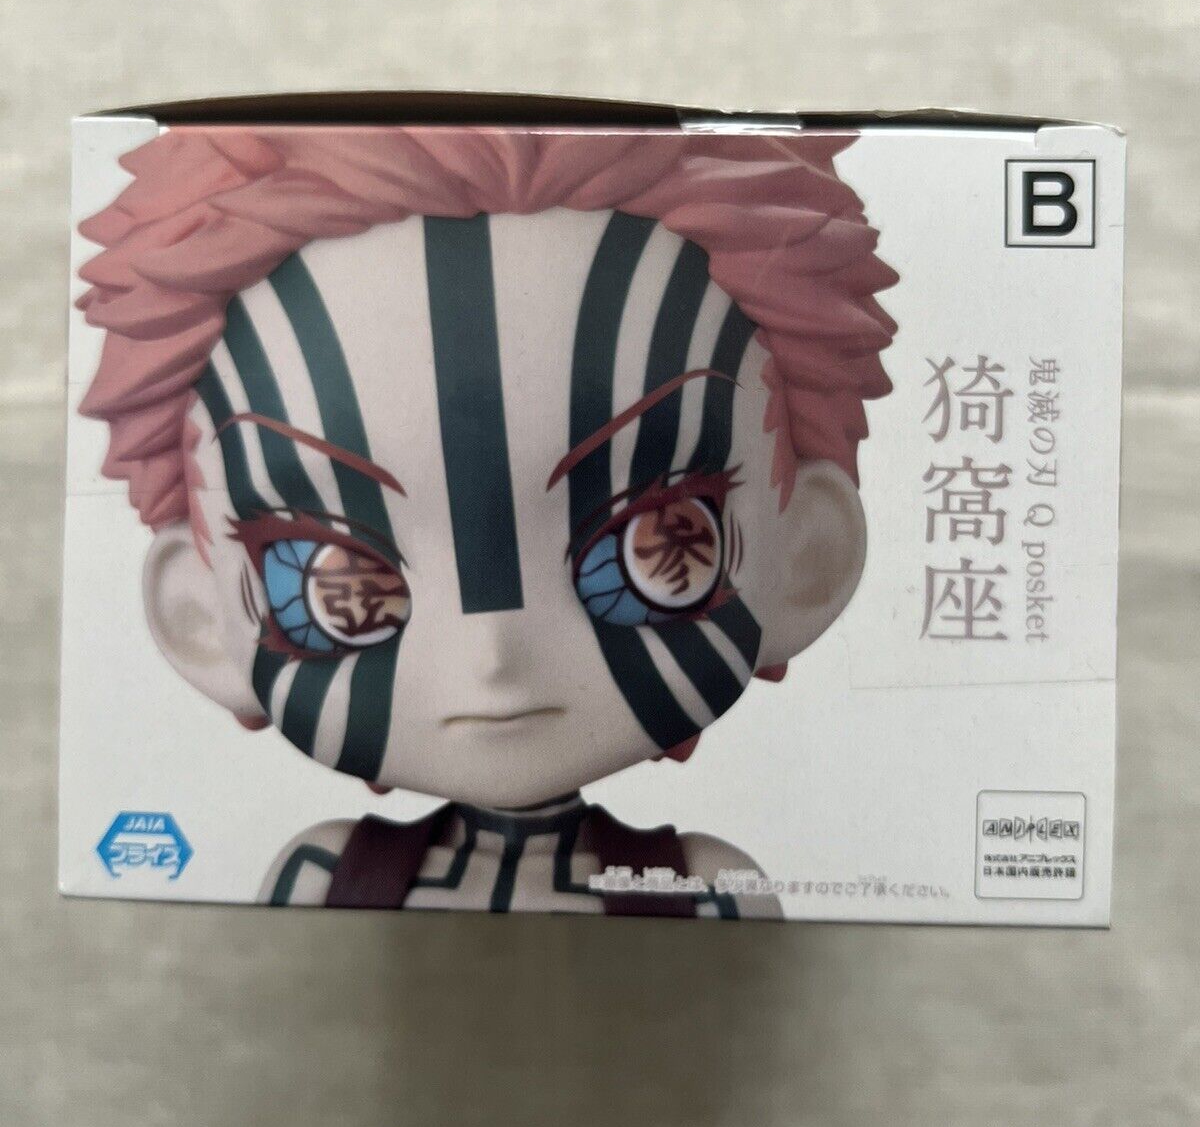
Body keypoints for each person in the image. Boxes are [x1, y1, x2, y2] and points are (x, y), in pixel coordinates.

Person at [76, 122, 896, 916]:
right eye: (335, 584)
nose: (493, 654)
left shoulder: (706, 892)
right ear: (199, 618)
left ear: (808, 558)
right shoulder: (322, 878)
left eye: (650, 549)